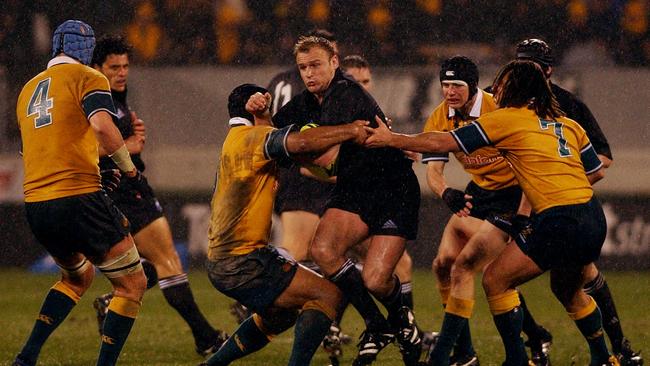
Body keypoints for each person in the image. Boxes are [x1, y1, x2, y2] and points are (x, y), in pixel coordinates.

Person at [365, 59, 619, 366]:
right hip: (592, 216)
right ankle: (604, 358)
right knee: (567, 290)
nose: (496, 87)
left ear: (516, 89)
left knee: (496, 279)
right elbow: (595, 170)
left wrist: (392, 138)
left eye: (502, 82)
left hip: (555, 217)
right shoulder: (567, 124)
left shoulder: (506, 119)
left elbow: (444, 140)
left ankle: (513, 358)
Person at [272, 36, 423, 366]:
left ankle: (401, 323)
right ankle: (380, 325)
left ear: (334, 63)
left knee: (376, 279)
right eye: (303, 68)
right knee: (323, 250)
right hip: (355, 189)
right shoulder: (311, 99)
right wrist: (253, 109)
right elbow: (275, 129)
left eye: (315, 65)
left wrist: (298, 147)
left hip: (391, 188)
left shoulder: (344, 93)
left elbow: (326, 151)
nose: (309, 73)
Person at [202, 83, 367, 366]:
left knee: (279, 315)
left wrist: (265, 115)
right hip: (244, 260)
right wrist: (351, 130)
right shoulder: (253, 138)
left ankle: (213, 364)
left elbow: (275, 142)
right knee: (330, 294)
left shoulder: (236, 140)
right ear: (251, 107)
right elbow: (302, 143)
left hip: (224, 259)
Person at [13, 20, 147, 366]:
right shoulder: (89, 78)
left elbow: (34, 150)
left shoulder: (27, 90)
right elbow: (103, 126)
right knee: (132, 283)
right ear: (86, 50)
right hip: (78, 196)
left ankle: (26, 357)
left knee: (78, 276)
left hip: (37, 204)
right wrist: (129, 169)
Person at [88, 35, 228, 357]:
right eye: (114, 67)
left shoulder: (116, 97)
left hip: (124, 188)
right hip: (124, 190)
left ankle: (113, 303)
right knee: (169, 262)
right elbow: (84, 149)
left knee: (148, 266)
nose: (122, 72)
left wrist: (131, 141)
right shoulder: (96, 99)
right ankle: (205, 337)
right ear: (97, 68)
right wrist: (129, 147)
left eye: (125, 66)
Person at [514, 38, 642, 366]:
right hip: (512, 199)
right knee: (487, 267)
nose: (523, 74)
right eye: (520, 67)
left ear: (548, 71)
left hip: (560, 205)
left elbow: (602, 158)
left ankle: (619, 348)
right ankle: (535, 339)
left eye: (532, 68)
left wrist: (561, 185)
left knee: (575, 277)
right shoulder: (500, 99)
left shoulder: (567, 105)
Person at [422, 56, 551, 366]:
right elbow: (433, 172)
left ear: (473, 86)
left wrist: (523, 213)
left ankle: (448, 356)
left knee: (468, 266)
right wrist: (446, 192)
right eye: (445, 85)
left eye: (457, 85)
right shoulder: (441, 116)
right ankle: (476, 351)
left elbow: (531, 165)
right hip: (480, 193)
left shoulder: (501, 109)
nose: (450, 92)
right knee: (443, 265)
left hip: (515, 194)